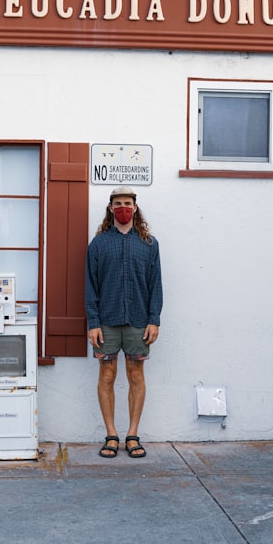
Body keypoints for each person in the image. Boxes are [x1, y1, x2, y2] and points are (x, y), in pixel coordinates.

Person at [85, 186, 163, 459]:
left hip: (138, 322)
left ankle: (132, 434)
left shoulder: (149, 244)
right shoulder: (98, 244)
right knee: (106, 375)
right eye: (118, 203)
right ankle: (111, 434)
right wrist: (93, 322)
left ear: (135, 207)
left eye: (127, 203)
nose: (123, 208)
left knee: (136, 375)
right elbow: (90, 286)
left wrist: (154, 320)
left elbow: (156, 285)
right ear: (110, 208)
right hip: (106, 322)